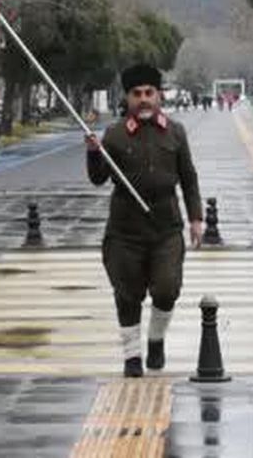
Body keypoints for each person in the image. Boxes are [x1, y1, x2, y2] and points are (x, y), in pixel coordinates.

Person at [85, 63, 203, 378]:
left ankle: (156, 338)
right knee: (127, 294)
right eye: (137, 94)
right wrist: (93, 153)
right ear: (128, 98)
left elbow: (189, 177)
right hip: (125, 231)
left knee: (167, 288)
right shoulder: (115, 134)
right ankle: (132, 356)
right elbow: (98, 179)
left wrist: (195, 218)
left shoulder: (175, 132)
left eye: (149, 92)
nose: (144, 99)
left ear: (159, 95)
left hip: (166, 228)